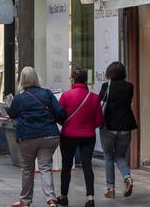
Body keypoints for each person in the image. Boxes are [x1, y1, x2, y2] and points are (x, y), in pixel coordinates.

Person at [8, 67, 67, 207]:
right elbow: (60, 112)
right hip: (49, 135)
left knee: (27, 168)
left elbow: (12, 114)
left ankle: (25, 201)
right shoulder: (47, 93)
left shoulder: (19, 97)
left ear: (21, 80)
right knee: (45, 167)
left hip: (27, 136)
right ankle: (51, 200)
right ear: (36, 78)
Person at [57, 68, 104, 207]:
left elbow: (60, 116)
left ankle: (64, 197)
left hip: (68, 135)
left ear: (73, 79)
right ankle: (90, 198)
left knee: (66, 166)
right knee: (87, 165)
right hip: (88, 136)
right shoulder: (94, 98)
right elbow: (99, 120)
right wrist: (88, 126)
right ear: (86, 80)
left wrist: (67, 124)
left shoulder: (66, 96)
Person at [98, 62, 137, 199]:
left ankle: (111, 189)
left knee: (108, 157)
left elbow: (100, 103)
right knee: (120, 156)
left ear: (110, 73)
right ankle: (127, 177)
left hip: (109, 126)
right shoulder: (129, 87)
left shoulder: (106, 86)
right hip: (126, 126)